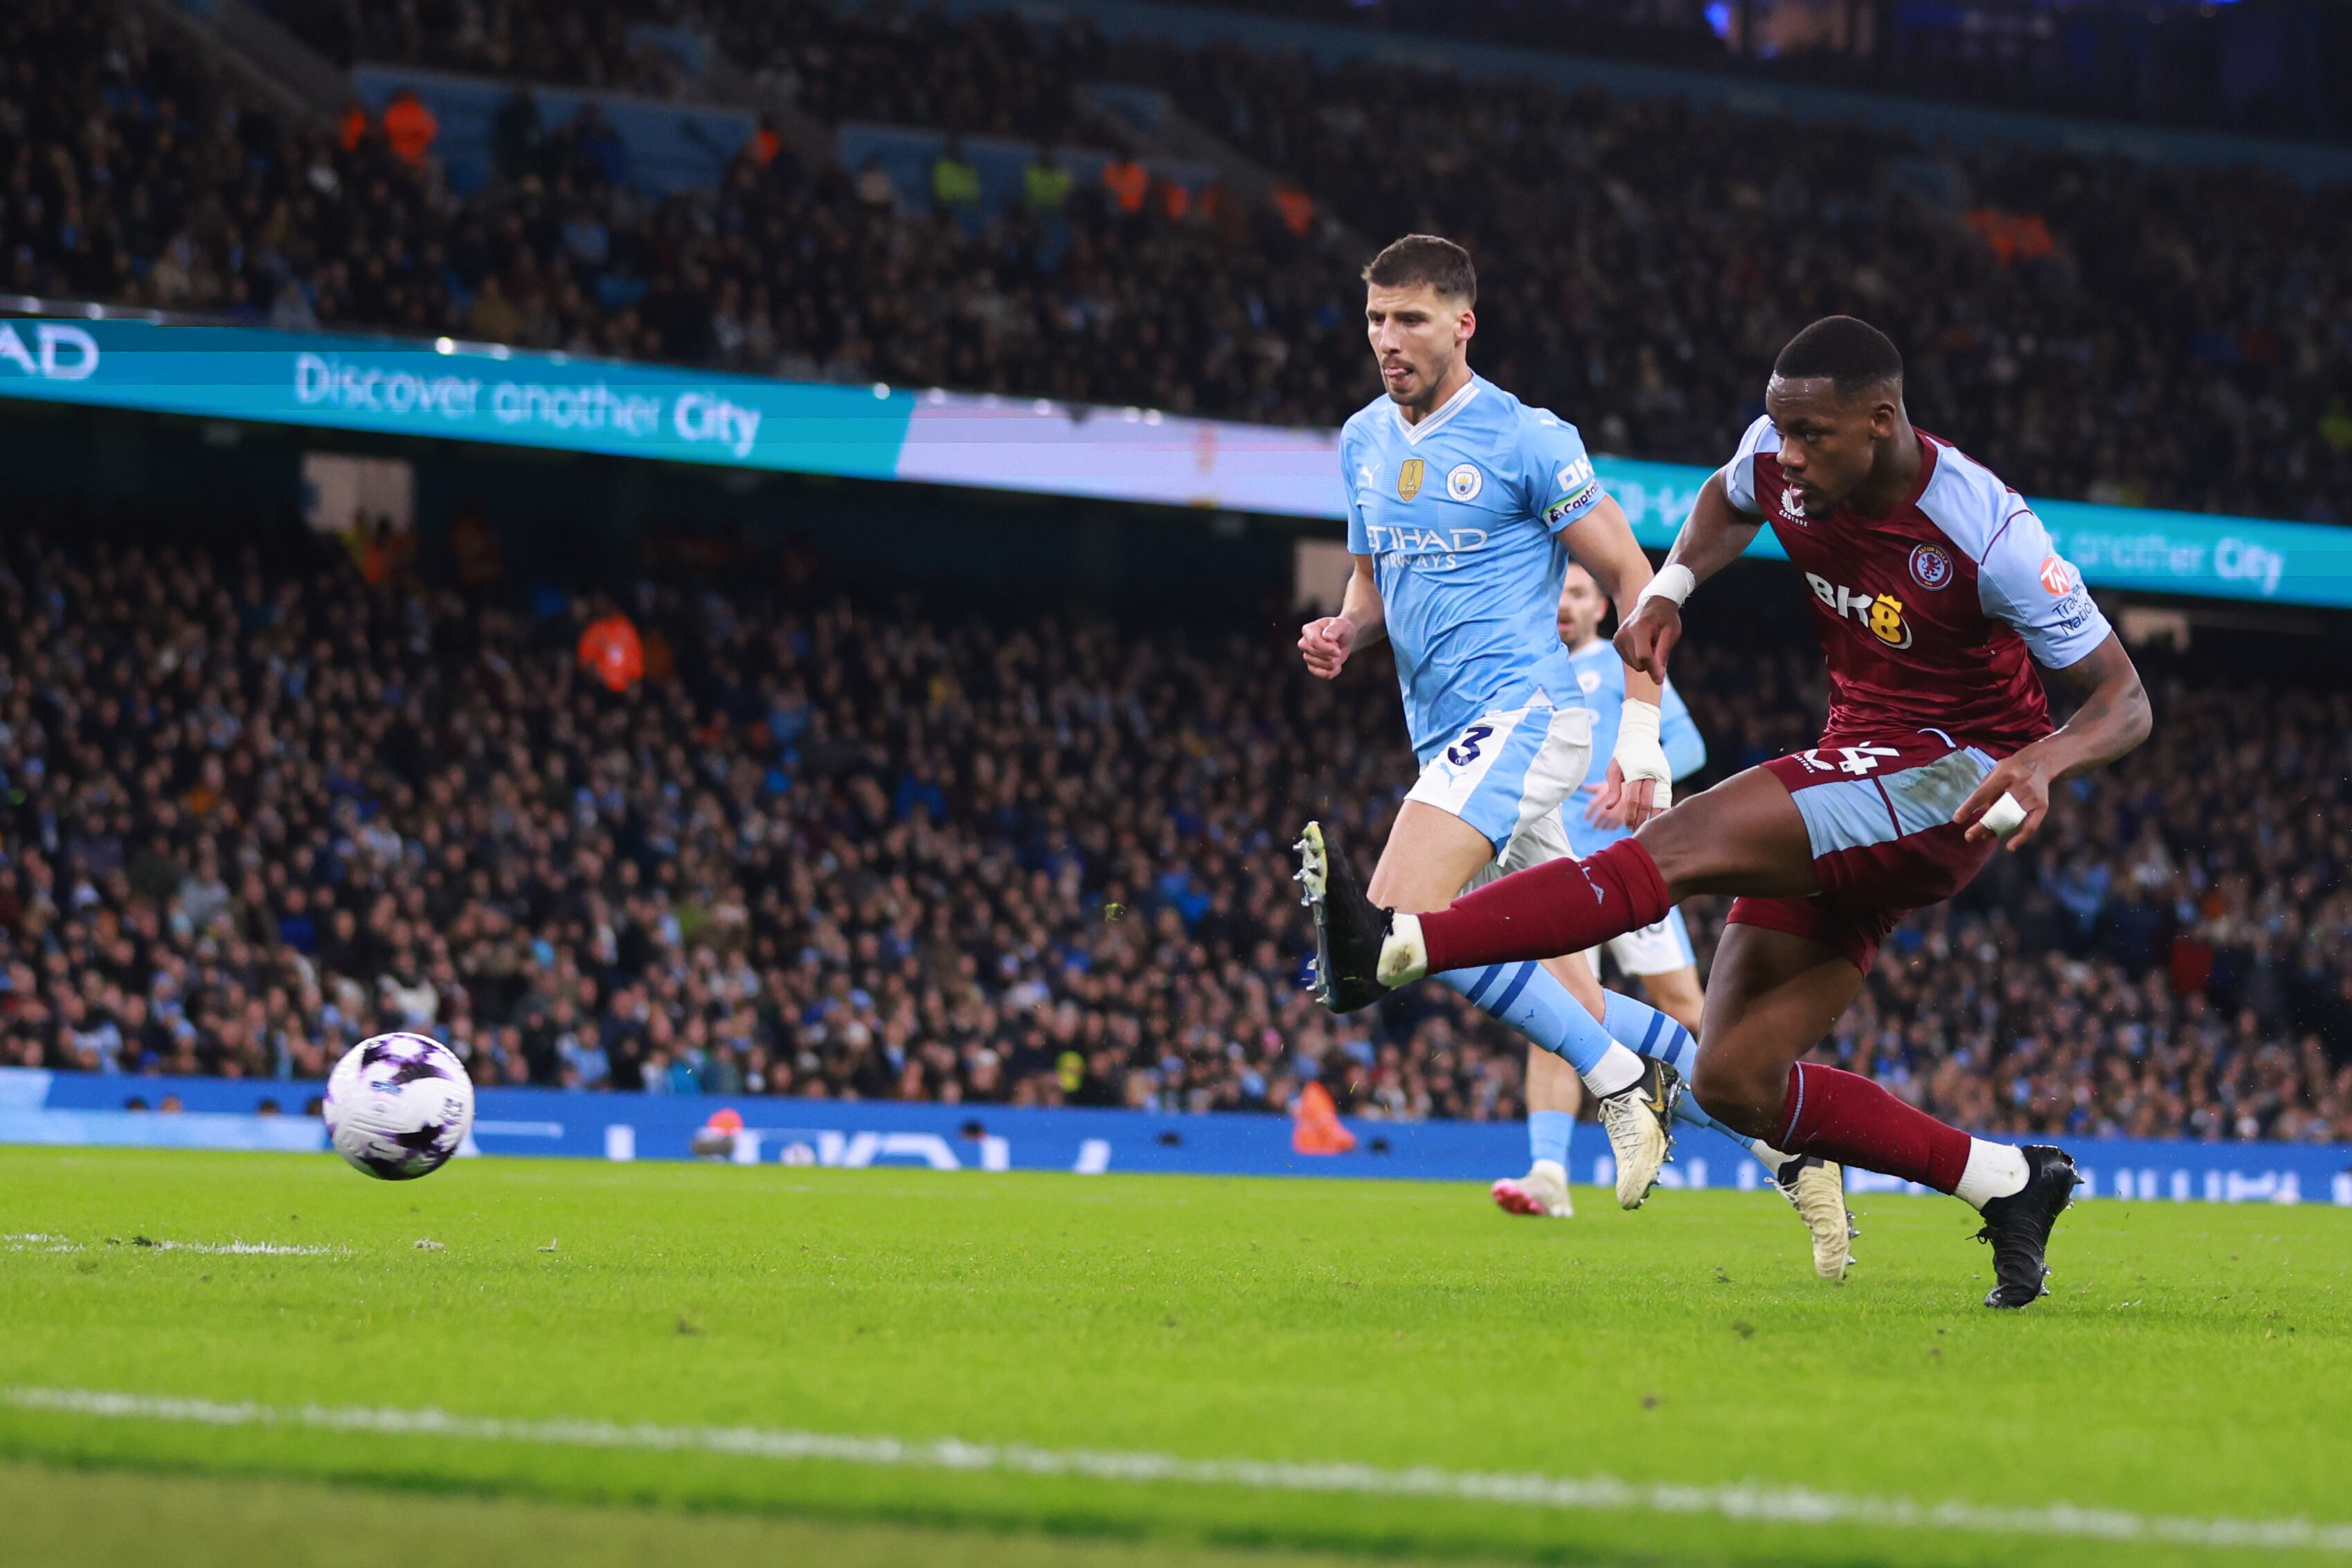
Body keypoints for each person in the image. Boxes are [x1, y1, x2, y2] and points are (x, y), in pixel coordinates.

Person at [1306, 316, 2153, 1308]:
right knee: (1733, 1076)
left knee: (1673, 844)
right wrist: (1668, 587)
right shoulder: (1778, 458)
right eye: (1778, 429)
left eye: (1810, 436)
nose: (1785, 456)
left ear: (1880, 422)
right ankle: (2005, 1180)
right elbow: (1725, 494)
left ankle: (1401, 945)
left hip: (1946, 779)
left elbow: (2122, 700)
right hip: (1857, 764)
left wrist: (2046, 759)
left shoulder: (1986, 531)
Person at [1295, 236, 1833, 1257]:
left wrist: (1638, 737)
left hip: (1529, 717)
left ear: (1461, 323)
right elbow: (1369, 589)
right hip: (1451, 738)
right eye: (1374, 318)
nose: (1386, 339)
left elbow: (1640, 582)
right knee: (1568, 990)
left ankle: (1618, 1083)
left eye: (1408, 319)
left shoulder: (1526, 438)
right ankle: (1792, 1145)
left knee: (1399, 923)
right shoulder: (1361, 440)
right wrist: (1341, 630)